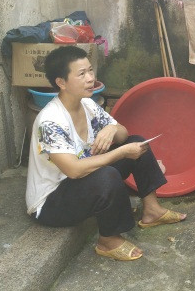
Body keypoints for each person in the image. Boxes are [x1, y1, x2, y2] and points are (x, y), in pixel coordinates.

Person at [25, 45, 186, 261]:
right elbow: (73, 170)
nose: (90, 78)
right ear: (61, 82)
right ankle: (108, 241)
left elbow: (123, 134)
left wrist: (111, 128)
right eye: (82, 74)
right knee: (108, 174)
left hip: (81, 181)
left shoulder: (87, 105)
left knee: (137, 143)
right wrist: (120, 153)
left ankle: (152, 211)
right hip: (51, 203)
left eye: (90, 70)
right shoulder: (50, 121)